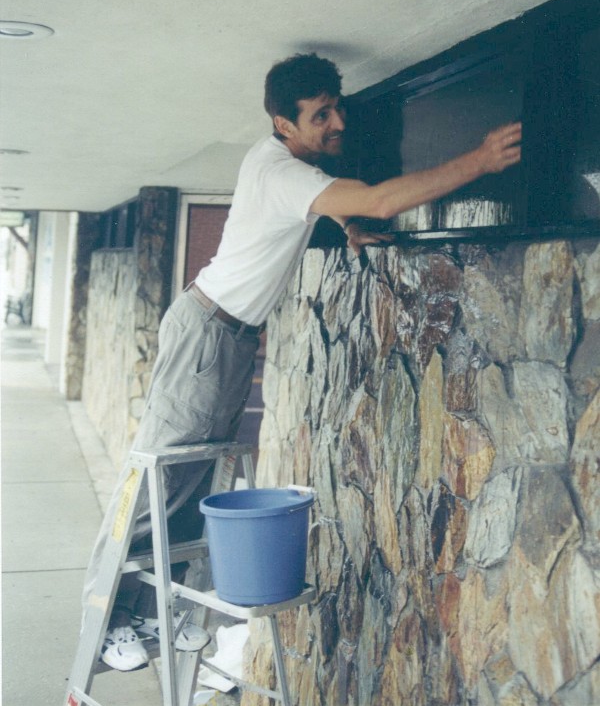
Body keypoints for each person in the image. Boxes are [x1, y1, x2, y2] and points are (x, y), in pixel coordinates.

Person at [82, 53, 521, 670]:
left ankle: (150, 611)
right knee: (160, 476)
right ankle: (105, 619)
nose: (337, 122)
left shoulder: (280, 164)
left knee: (194, 479)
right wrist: (480, 160)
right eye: (322, 115)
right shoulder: (285, 174)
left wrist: (344, 221)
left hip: (225, 337)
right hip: (208, 335)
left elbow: (316, 206)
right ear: (283, 124)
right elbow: (384, 200)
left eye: (337, 108)